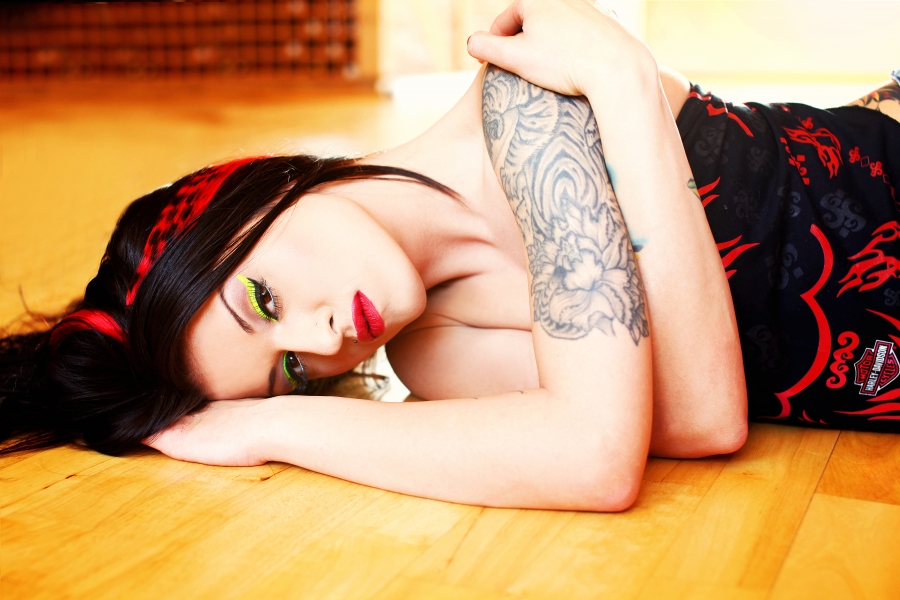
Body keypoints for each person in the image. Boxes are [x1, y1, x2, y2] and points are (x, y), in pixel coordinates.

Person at [1, 0, 898, 511]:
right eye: (291, 374)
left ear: (248, 192)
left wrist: (621, 85)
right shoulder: (434, 356)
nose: (323, 341)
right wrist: (258, 427)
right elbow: (694, 421)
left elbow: (624, 442)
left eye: (265, 301)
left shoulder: (523, 106)